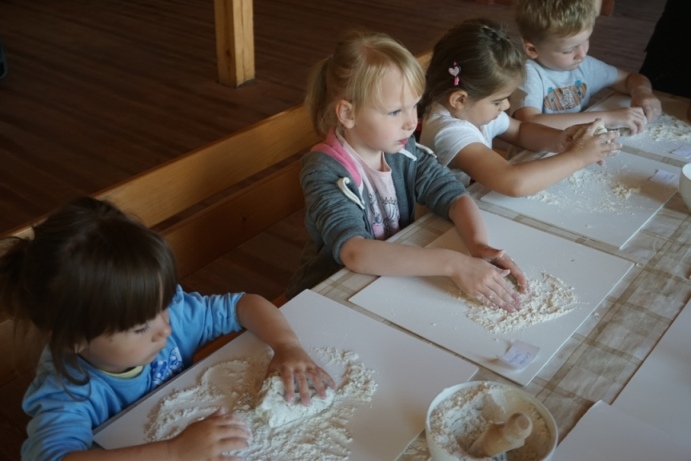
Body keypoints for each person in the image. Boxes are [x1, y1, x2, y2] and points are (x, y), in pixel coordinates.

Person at [0, 196, 335, 461]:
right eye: (141, 326)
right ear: (76, 339)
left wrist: (287, 345)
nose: (164, 328)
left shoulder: (172, 314)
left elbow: (244, 305)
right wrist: (174, 452)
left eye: (162, 305)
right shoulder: (68, 388)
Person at [285, 30, 528, 312]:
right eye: (395, 112)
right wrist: (454, 263)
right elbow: (354, 251)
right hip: (327, 295)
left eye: (414, 106)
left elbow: (452, 194)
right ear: (348, 114)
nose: (411, 122)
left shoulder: (401, 149)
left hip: (387, 281)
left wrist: (478, 243)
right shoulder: (325, 170)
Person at [419, 18, 620, 197]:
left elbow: (520, 130)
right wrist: (577, 158)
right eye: (498, 101)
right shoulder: (448, 131)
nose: (506, 106)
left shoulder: (471, 109)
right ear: (459, 100)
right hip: (433, 221)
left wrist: (563, 139)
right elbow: (513, 182)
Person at [511, 0, 662, 133]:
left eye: (585, 41)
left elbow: (630, 78)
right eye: (568, 50)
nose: (582, 54)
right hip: (538, 154)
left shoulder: (583, 65)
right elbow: (530, 123)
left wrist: (642, 92)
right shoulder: (527, 73)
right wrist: (607, 118)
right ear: (532, 50)